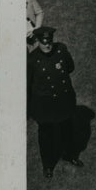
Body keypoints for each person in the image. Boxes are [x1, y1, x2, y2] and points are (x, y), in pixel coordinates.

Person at [27, 26, 83, 179]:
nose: (48, 45)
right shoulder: (32, 60)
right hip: (44, 106)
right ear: (38, 42)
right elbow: (27, 86)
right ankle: (48, 165)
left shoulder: (61, 50)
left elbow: (70, 67)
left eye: (49, 41)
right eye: (44, 42)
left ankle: (70, 155)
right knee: (46, 136)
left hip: (63, 101)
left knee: (67, 130)